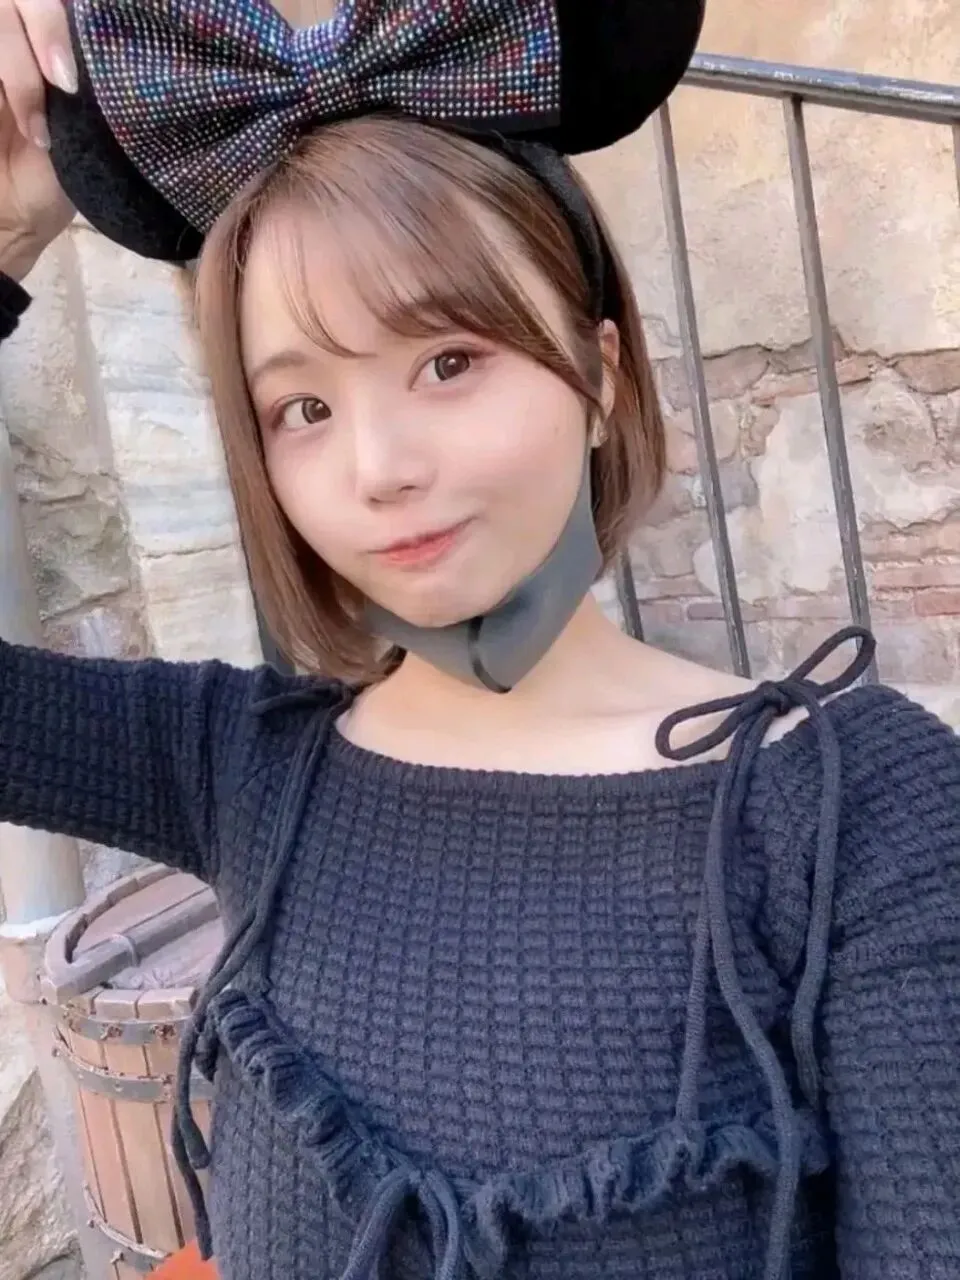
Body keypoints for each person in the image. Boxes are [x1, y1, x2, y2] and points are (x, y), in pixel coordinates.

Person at [1, 2, 959, 1279]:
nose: (379, 466)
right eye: (302, 406)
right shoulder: (237, 762)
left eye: (449, 360)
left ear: (600, 371)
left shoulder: (854, 812)